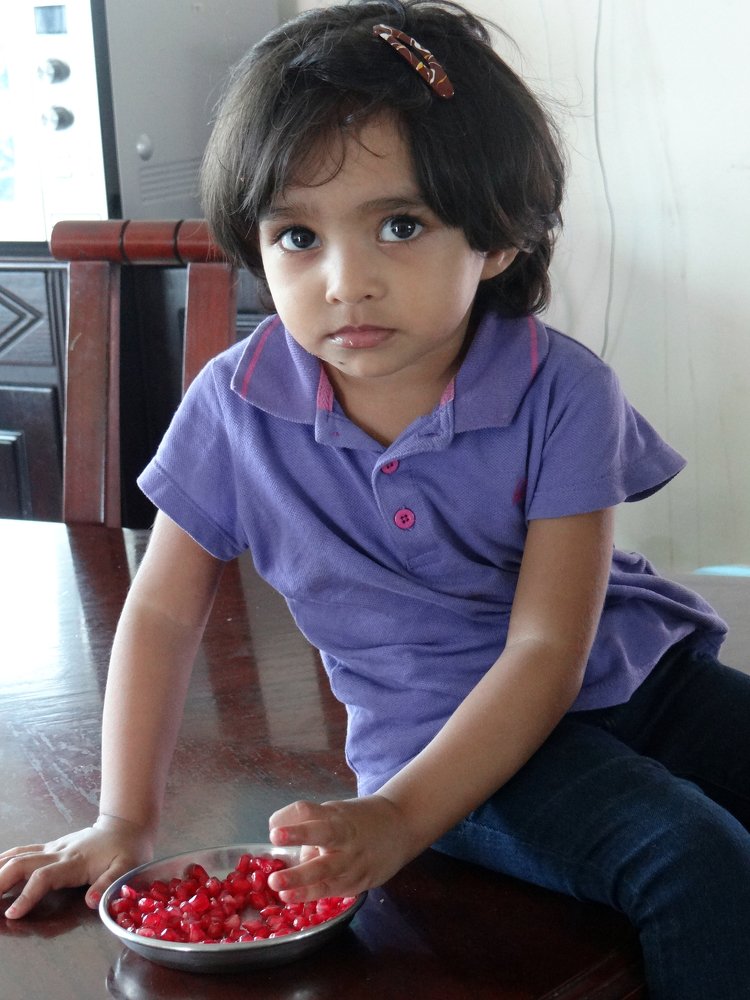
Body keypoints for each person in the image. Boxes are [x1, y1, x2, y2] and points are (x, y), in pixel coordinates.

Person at [2, 2, 749, 995]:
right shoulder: (233, 406)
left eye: (401, 225)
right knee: (696, 862)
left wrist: (396, 823)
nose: (346, 281)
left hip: (632, 678)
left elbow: (547, 648)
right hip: (440, 751)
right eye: (297, 234)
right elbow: (164, 613)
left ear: (498, 236)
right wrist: (123, 820)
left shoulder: (564, 390)